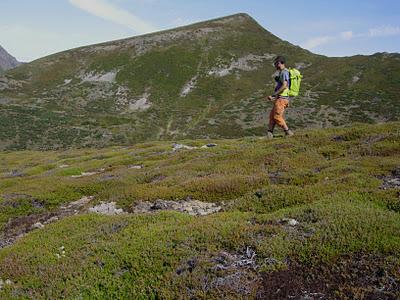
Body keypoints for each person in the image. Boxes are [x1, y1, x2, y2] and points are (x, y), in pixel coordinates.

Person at [266, 56, 294, 139]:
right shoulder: (282, 72)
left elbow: (284, 86)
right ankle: (269, 135)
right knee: (272, 116)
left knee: (277, 117)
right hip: (280, 98)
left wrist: (274, 95)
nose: (275, 66)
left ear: (279, 63)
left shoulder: (284, 72)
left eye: (275, 64)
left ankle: (288, 132)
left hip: (282, 99)